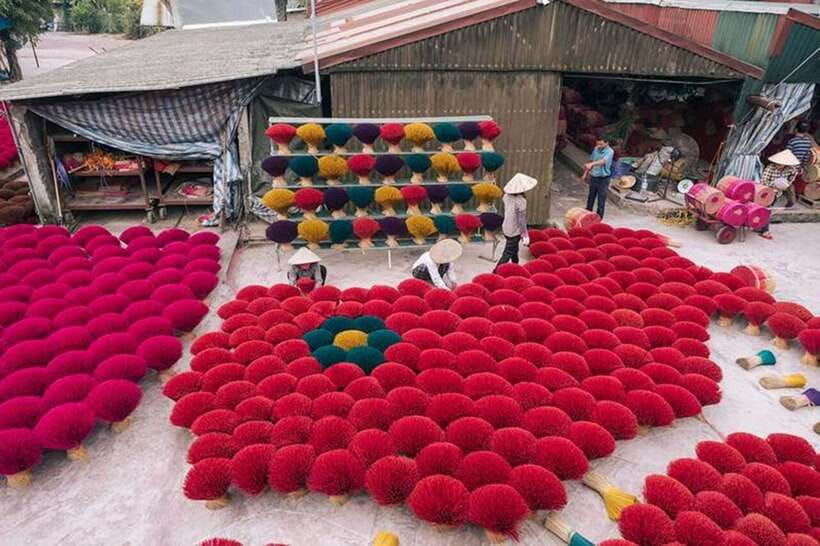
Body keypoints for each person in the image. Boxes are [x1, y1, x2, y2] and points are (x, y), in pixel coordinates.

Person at [496, 173, 538, 270]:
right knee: (507, 253)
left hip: (506, 227)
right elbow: (521, 220)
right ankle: (495, 272)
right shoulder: (521, 201)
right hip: (514, 230)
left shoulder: (506, 196)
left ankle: (515, 265)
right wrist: (525, 235)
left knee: (514, 249)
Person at [758, 149, 801, 239]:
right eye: (778, 163)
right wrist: (774, 184)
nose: (779, 165)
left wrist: (786, 184)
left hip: (777, 193)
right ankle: (765, 231)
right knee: (766, 210)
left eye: (781, 164)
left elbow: (793, 175)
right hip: (767, 192)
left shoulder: (790, 169)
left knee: (767, 211)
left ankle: (761, 228)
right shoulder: (770, 168)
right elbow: (763, 181)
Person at [583, 137, 614, 218]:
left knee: (601, 199)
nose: (599, 146)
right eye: (598, 144)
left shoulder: (610, 151)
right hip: (594, 176)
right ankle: (587, 215)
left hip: (604, 179)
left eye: (601, 144)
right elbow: (591, 161)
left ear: (606, 143)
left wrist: (592, 164)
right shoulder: (596, 149)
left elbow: (603, 161)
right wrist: (585, 173)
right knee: (591, 197)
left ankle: (599, 218)